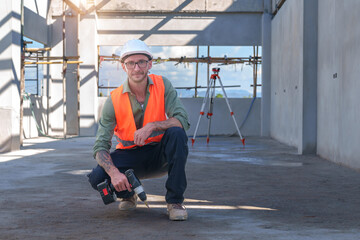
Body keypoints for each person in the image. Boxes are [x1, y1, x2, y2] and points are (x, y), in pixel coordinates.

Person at [87, 39, 190, 221]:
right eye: (131, 63)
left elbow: (182, 120)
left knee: (177, 133)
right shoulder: (114, 99)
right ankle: (128, 193)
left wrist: (153, 125)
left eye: (141, 62)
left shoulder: (163, 85)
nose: (137, 68)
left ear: (150, 64)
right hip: (130, 158)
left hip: (160, 155)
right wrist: (114, 173)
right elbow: (100, 146)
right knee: (97, 177)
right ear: (123, 66)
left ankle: (174, 202)